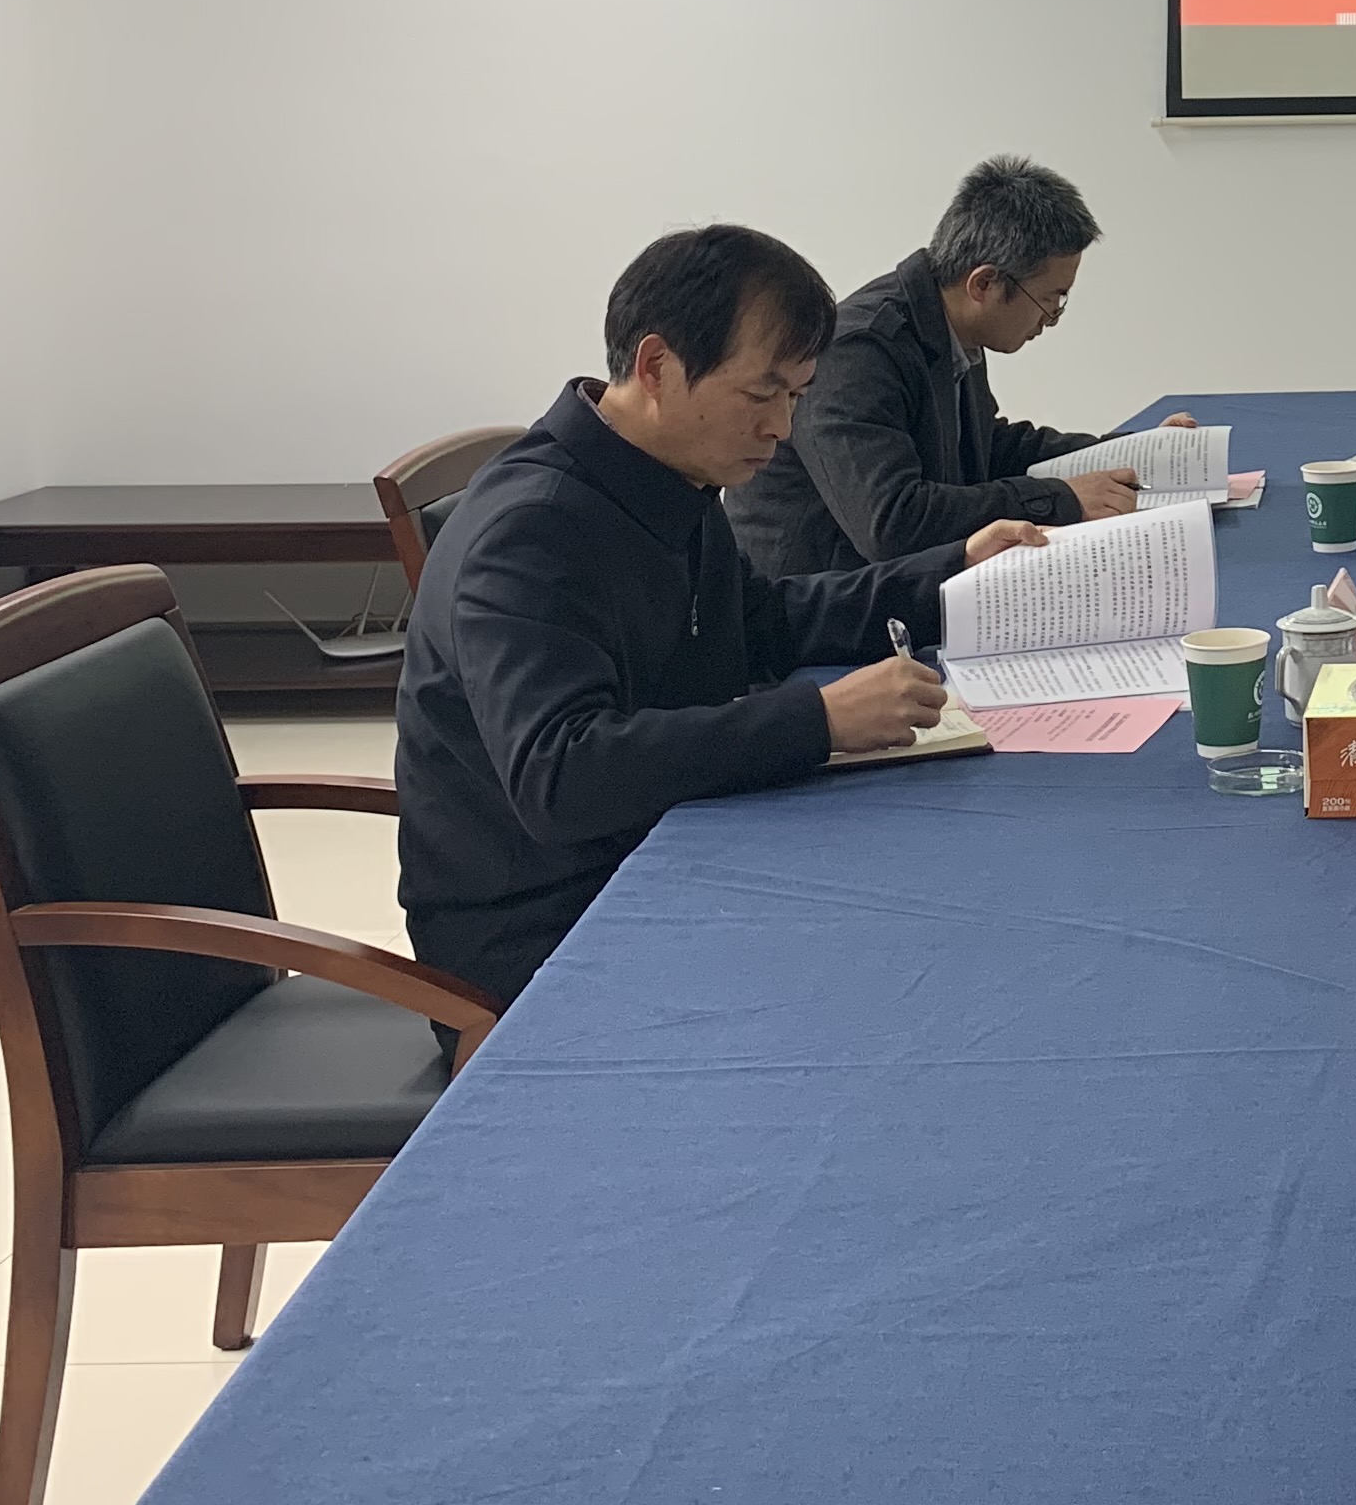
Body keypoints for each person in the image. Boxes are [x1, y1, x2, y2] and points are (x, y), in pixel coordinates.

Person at [397, 224, 1044, 1010]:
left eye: (796, 397)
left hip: (656, 844)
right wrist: (818, 720)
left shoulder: (665, 475)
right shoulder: (531, 530)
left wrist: (957, 575)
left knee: (936, 902)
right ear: (657, 367)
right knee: (897, 962)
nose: (782, 428)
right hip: (545, 931)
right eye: (762, 395)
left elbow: (761, 622)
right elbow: (561, 775)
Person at [729, 155, 1190, 582]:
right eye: (1050, 300)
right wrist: (1061, 499)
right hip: (819, 610)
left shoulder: (949, 325)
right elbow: (893, 522)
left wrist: (1127, 452)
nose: (1051, 319)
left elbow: (988, 448)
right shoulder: (859, 350)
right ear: (984, 284)